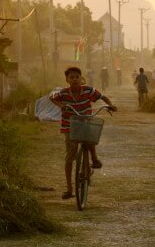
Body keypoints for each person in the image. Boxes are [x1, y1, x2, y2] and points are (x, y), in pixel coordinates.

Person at [50, 66, 117, 200]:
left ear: (81, 79)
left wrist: (110, 104)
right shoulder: (63, 93)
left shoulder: (88, 90)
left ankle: (94, 158)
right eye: (71, 77)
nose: (74, 79)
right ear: (67, 80)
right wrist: (61, 105)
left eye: (77, 77)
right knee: (70, 156)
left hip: (85, 122)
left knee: (90, 137)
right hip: (69, 126)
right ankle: (69, 189)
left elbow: (102, 97)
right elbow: (52, 98)